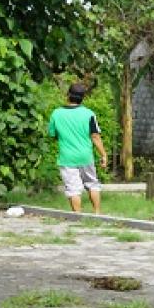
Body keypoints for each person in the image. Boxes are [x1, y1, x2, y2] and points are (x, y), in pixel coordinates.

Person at [46, 83, 108, 214]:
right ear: (83, 98)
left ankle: (78, 216)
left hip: (67, 157)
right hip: (86, 156)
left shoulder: (56, 114)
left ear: (68, 95)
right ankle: (97, 213)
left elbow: (52, 134)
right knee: (92, 184)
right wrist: (103, 154)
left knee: (73, 189)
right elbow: (95, 136)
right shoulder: (89, 114)